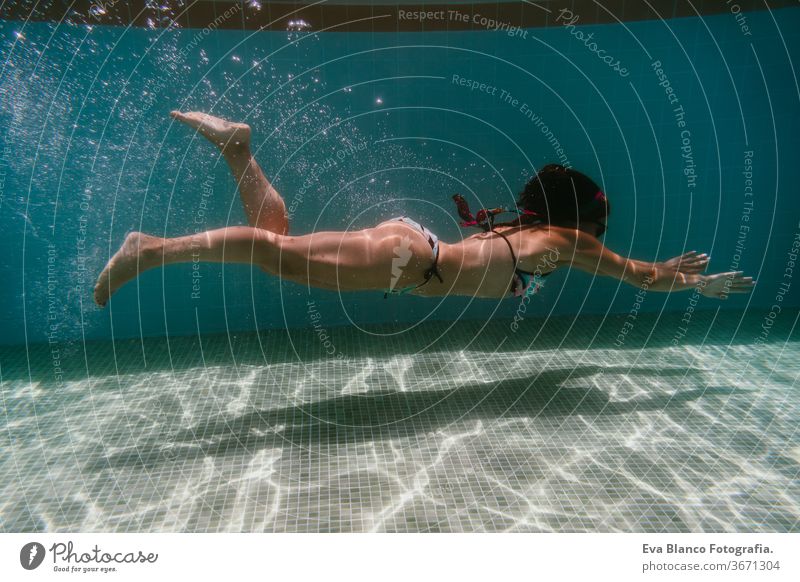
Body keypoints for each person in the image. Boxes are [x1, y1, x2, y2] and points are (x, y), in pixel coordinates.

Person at [93, 111, 755, 307]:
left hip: (410, 255)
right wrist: (698, 282)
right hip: (409, 260)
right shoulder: (566, 241)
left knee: (278, 247)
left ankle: (239, 149)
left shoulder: (534, 236)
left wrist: (683, 277)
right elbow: (637, 274)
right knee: (273, 251)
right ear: (581, 216)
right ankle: (150, 249)